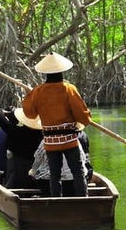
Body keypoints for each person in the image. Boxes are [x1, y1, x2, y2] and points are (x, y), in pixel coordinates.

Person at [21, 52, 92, 197]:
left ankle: (56, 201)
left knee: (55, 174)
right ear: (61, 71)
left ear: (46, 73)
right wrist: (85, 121)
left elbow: (30, 114)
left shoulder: (38, 92)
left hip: (50, 142)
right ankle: (83, 199)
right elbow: (82, 115)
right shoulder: (68, 89)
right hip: (69, 140)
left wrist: (29, 95)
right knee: (78, 171)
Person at [29, 131, 93, 196]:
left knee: (34, 175)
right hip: (73, 184)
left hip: (48, 184)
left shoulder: (46, 141)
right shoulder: (75, 140)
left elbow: (36, 164)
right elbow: (84, 160)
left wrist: (33, 173)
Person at [0, 106, 43, 189]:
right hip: (35, 172)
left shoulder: (16, 132)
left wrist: (10, 113)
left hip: (17, 172)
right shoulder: (41, 134)